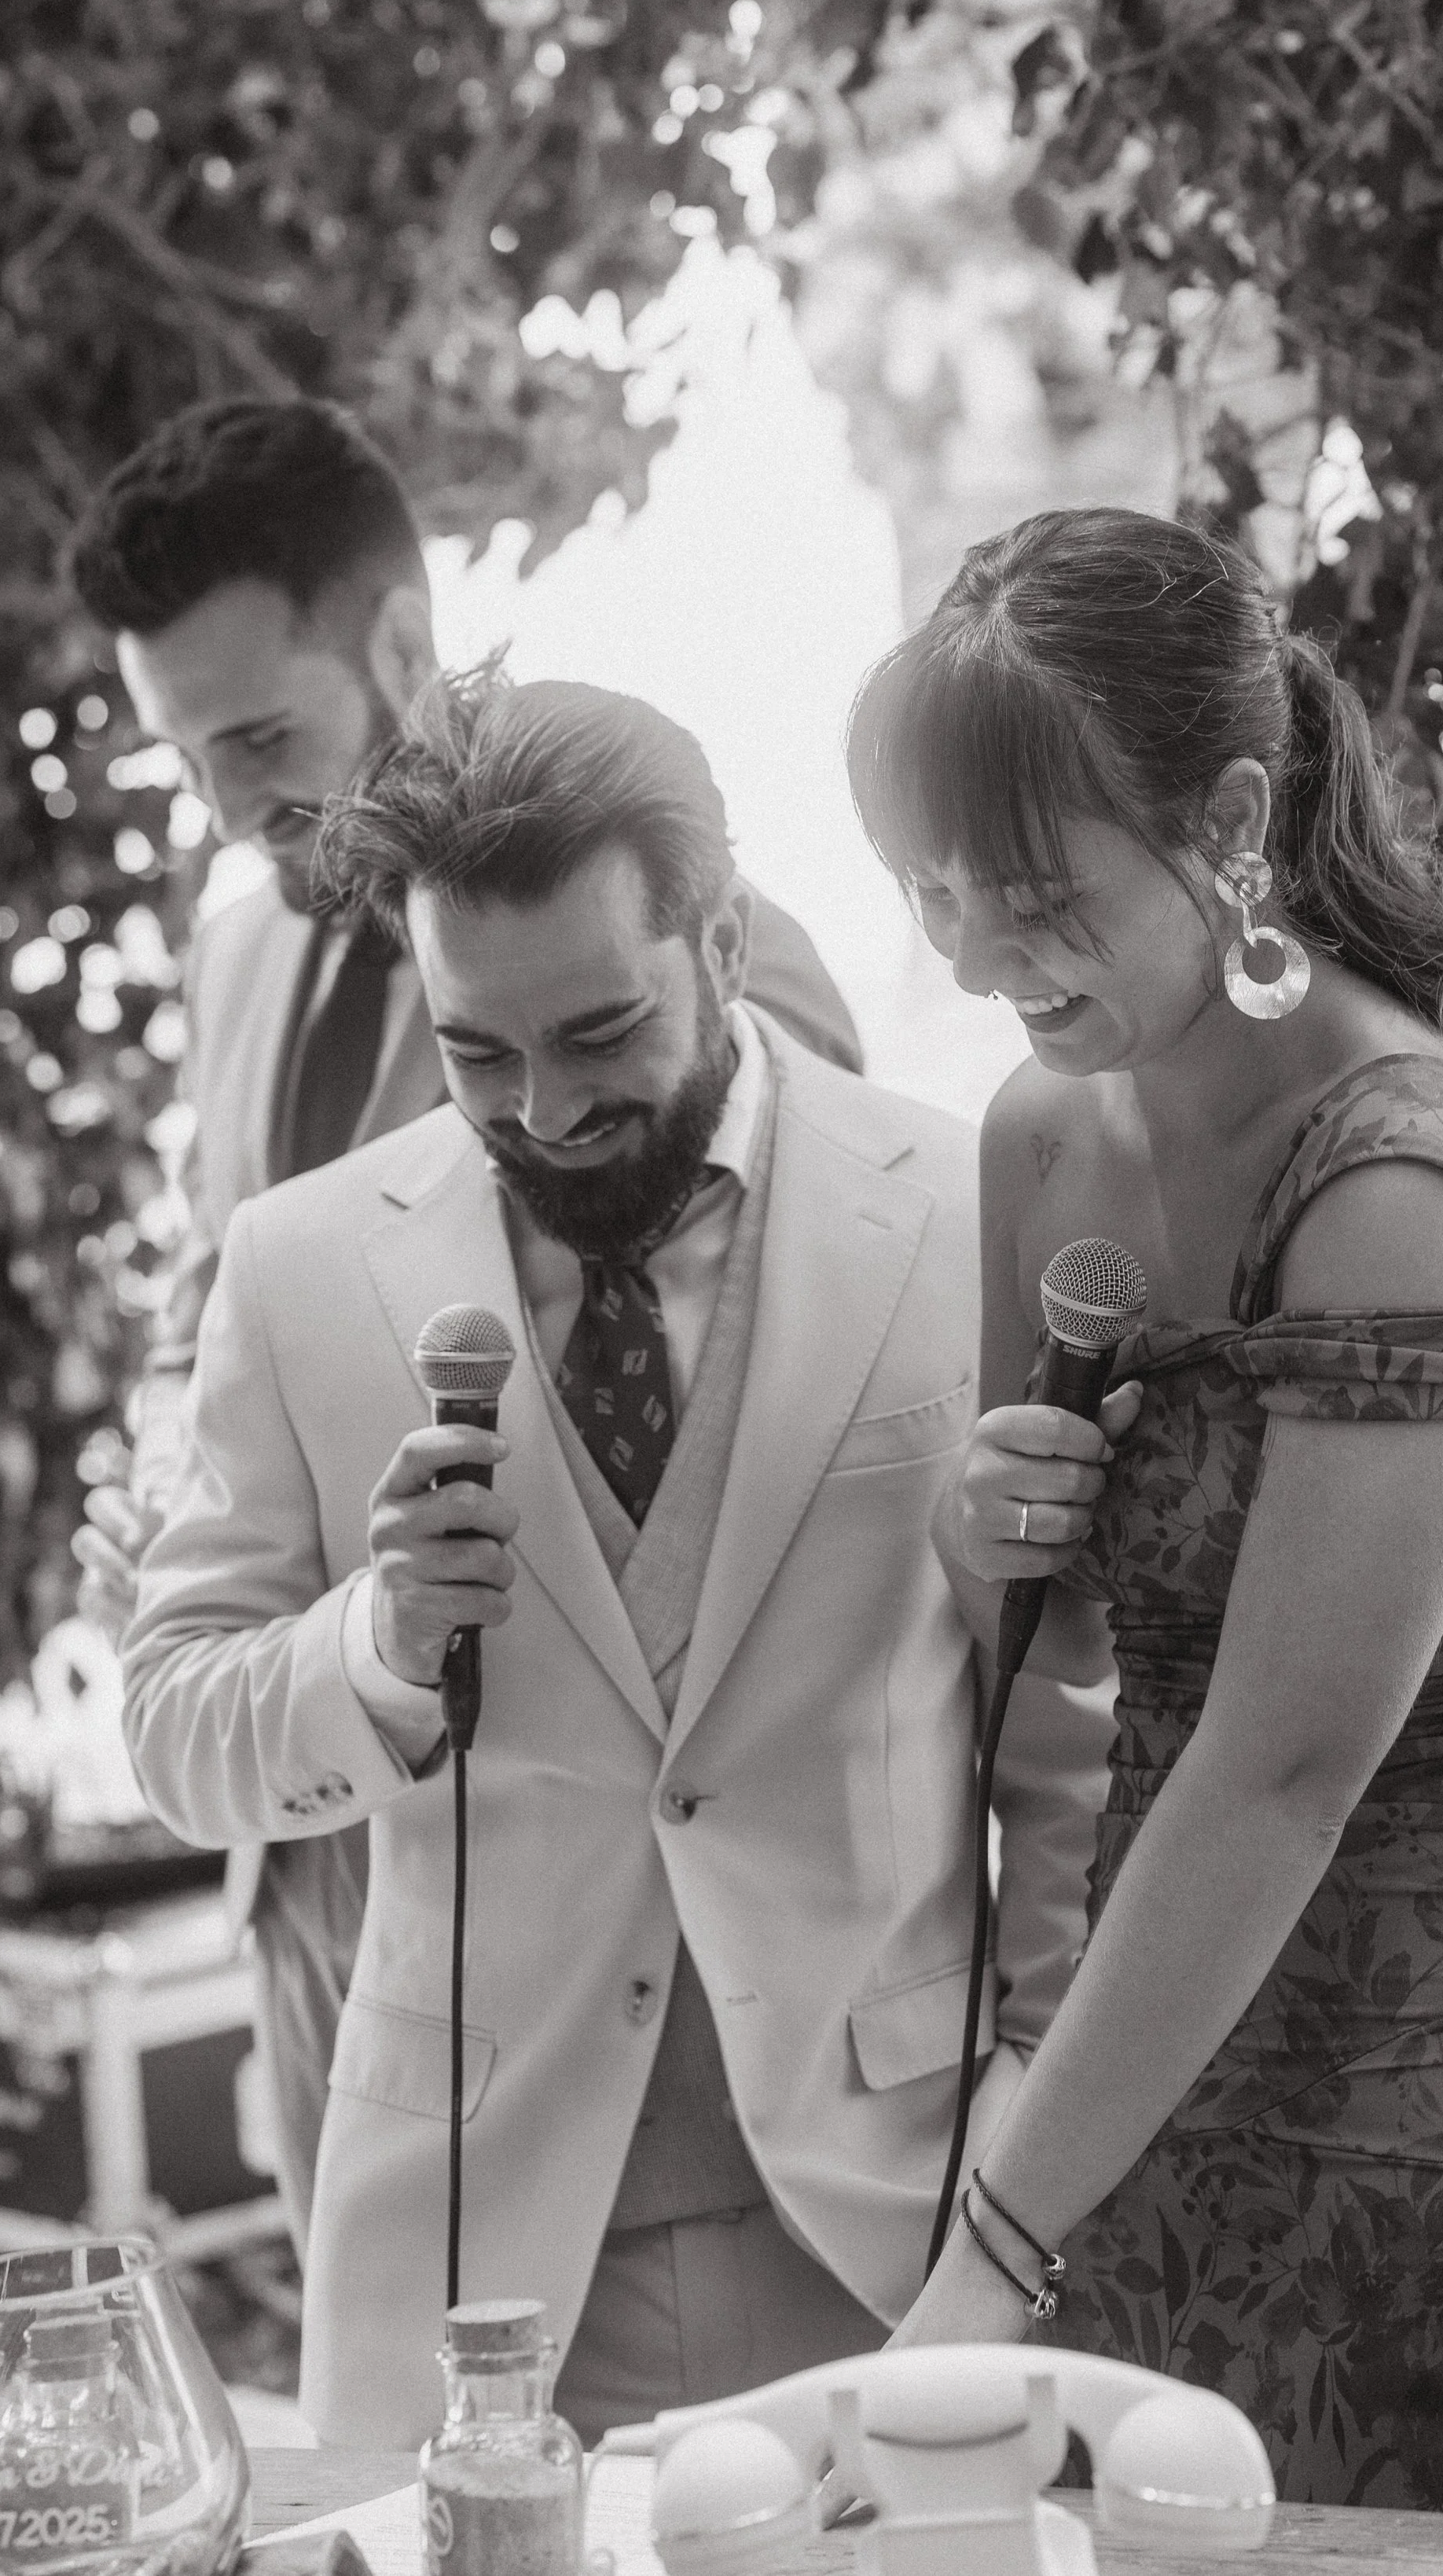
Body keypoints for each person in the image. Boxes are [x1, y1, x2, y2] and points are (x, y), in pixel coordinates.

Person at [844, 505, 1443, 2533]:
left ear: (1233, 816)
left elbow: (1276, 1772)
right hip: (1172, 2147)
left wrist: (990, 2246)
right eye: (926, 895)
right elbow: (1090, 1668)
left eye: (1029, 899)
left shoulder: (1401, 1176)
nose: (979, 963)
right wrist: (986, 1534)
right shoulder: (1038, 1132)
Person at [118, 667, 1114, 2449]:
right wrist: (377, 1647)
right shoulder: (298, 1267)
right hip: (476, 2294)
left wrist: (1036, 2134)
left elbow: (1062, 1745)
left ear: (720, 939)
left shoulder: (965, 1208)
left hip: (897, 2236)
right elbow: (177, 1731)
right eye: (473, 1051)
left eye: (596, 1035)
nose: (543, 1112)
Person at [67, 398, 865, 2255]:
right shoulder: (240, 943)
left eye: (259, 737)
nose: (227, 812)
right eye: (184, 758)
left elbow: (787, 1402)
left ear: (404, 647)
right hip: (304, 1830)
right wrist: (188, 1515)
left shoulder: (686, 955)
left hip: (597, 1894)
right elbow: (227, 1296)